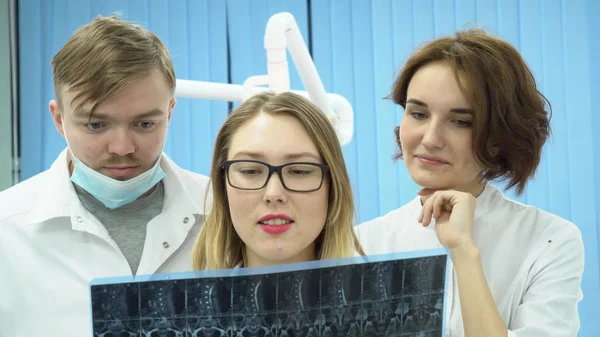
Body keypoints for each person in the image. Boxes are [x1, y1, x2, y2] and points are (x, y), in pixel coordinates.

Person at [355, 29, 584, 337]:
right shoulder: (364, 244)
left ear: (498, 139)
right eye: (418, 113)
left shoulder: (549, 241)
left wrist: (463, 251)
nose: (431, 138)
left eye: (461, 121)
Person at [0, 16, 211, 336]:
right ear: (59, 119)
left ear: (168, 113)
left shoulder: (222, 211)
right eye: (96, 125)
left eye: (144, 124)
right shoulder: (6, 230)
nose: (122, 147)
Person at [192, 91, 364, 270]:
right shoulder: (188, 297)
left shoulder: (382, 294)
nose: (273, 194)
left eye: (299, 171)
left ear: (333, 187)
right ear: (222, 186)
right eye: (250, 171)